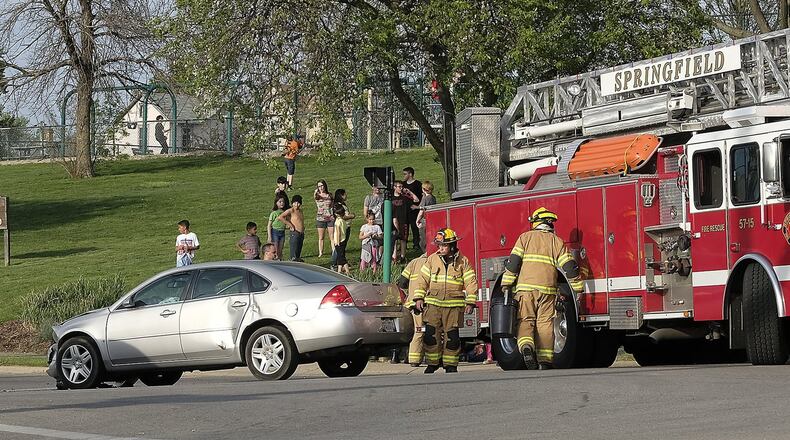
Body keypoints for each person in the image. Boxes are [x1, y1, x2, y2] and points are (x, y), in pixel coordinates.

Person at [500, 207, 584, 370]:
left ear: (536, 223)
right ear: (550, 225)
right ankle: (545, 360)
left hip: (526, 289)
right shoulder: (557, 241)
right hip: (548, 290)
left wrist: (506, 283)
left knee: (526, 320)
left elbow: (513, 263)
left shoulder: (525, 238)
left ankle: (526, 346)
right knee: (545, 323)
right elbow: (569, 266)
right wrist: (577, 288)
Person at [412, 228, 478, 373]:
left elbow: (471, 282)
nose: (440, 248)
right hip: (433, 306)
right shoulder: (432, 260)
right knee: (430, 336)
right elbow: (422, 280)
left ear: (452, 246)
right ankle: (432, 363)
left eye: (444, 246)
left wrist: (471, 302)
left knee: (452, 339)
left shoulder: (463, 262)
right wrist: (418, 298)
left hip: (453, 308)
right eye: (439, 245)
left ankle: (450, 365)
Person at [397, 253, 429, 366]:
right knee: (421, 331)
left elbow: (401, 282)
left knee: (415, 331)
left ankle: (409, 357)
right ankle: (415, 360)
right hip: (424, 303)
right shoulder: (433, 262)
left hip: (411, 304)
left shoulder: (414, 262)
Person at [391, 180, 418, 263]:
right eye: (399, 187)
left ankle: (402, 257)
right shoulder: (391, 198)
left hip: (404, 221)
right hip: (393, 222)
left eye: (402, 187)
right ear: (394, 187)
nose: (401, 188)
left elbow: (416, 200)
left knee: (403, 239)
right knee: (394, 240)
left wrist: (409, 192)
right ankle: (394, 257)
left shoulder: (405, 197)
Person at [278, 195, 305, 261]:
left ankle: (298, 260)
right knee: (294, 253)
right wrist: (290, 225)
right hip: (295, 233)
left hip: (301, 233)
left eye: (298, 203)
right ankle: (293, 260)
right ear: (292, 203)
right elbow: (280, 217)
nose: (296, 205)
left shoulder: (300, 211)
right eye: (295, 203)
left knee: (298, 250)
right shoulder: (291, 210)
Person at [402, 167, 423, 249]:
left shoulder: (417, 184)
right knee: (404, 227)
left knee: (414, 226)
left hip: (414, 210)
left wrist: (418, 206)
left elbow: (421, 197)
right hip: (405, 209)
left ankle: (416, 243)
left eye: (405, 174)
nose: (403, 176)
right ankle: (404, 243)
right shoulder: (403, 184)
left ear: (410, 174)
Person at [314, 180, 334, 257]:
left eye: (322, 185)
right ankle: (320, 253)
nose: (321, 187)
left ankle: (333, 251)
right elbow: (315, 193)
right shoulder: (317, 195)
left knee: (331, 237)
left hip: (330, 218)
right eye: (319, 186)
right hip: (320, 218)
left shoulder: (330, 195)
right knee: (321, 237)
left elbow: (332, 206)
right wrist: (317, 190)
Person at [415, 180, 437, 251]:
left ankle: (426, 253)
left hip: (424, 220)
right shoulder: (433, 198)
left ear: (423, 189)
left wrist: (417, 220)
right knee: (431, 237)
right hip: (432, 220)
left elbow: (421, 210)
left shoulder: (425, 198)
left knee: (423, 240)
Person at [268, 194, 288, 260]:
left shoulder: (285, 212)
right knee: (275, 249)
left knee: (280, 249)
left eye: (283, 202)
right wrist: (269, 236)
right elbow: (269, 225)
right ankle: (275, 260)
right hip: (275, 232)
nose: (282, 203)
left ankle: (280, 259)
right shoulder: (274, 213)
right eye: (280, 202)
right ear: (276, 203)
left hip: (282, 232)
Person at [331, 205, 350, 275]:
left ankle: (347, 269)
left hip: (339, 241)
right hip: (343, 240)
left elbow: (338, 232)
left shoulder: (337, 222)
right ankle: (339, 270)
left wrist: (337, 242)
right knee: (340, 255)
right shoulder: (343, 221)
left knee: (341, 256)